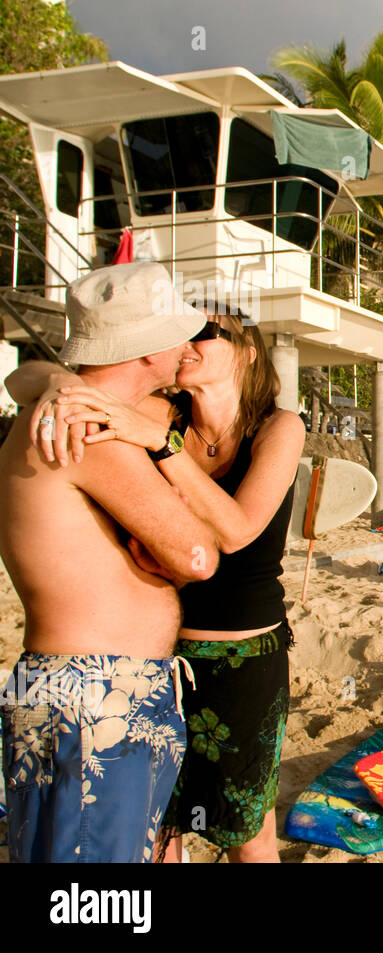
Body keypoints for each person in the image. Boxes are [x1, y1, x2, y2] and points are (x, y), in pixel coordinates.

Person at [22, 296, 306, 863]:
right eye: (185, 332)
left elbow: (238, 531)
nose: (190, 344)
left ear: (247, 351)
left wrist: (162, 446)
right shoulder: (159, 411)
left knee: (244, 831)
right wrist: (58, 382)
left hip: (242, 660)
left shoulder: (278, 427)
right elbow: (19, 373)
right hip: (160, 666)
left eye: (207, 332)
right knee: (158, 828)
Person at [0, 262, 220, 862]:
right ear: (148, 348)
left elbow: (27, 375)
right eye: (180, 333)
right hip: (94, 694)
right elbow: (197, 555)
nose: (188, 347)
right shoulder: (89, 427)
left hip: (88, 688)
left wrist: (51, 381)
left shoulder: (68, 409)